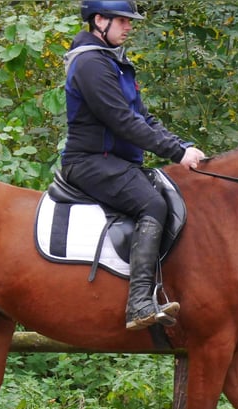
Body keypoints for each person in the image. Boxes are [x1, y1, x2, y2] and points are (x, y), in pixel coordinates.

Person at [61, 0, 206, 331]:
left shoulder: (114, 62)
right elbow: (122, 121)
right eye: (123, 20)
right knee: (152, 204)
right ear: (99, 20)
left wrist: (182, 146)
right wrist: (174, 153)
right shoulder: (90, 65)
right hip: (90, 162)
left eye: (130, 20)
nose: (129, 26)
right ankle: (139, 302)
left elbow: (144, 118)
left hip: (115, 162)